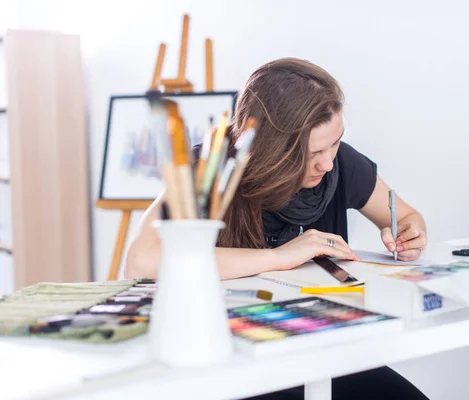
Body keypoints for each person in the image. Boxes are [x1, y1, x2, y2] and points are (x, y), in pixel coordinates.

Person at [124, 57, 429, 400]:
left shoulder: (340, 163)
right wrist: (278, 257)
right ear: (272, 149)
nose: (328, 163)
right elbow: (141, 259)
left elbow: (405, 217)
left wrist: (409, 234)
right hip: (237, 358)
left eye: (335, 143)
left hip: (322, 345)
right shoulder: (211, 171)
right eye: (313, 152)